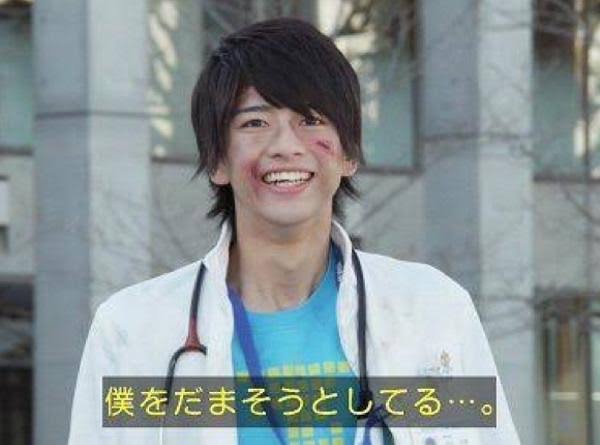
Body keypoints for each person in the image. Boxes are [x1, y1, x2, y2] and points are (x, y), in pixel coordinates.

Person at [67, 17, 521, 445]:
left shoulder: (431, 310)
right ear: (218, 160)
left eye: (311, 120)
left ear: (349, 154)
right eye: (255, 123)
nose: (286, 146)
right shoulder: (134, 329)